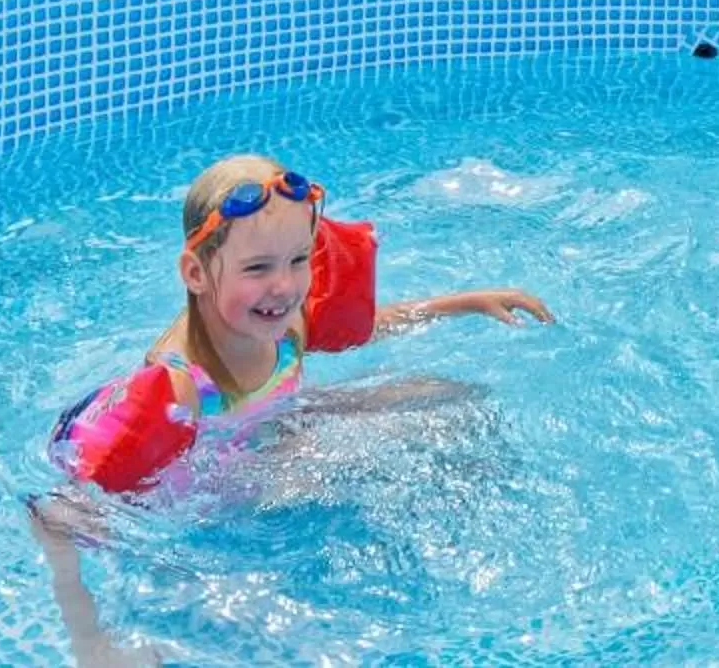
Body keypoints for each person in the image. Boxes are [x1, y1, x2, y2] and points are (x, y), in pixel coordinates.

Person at [31, 155, 552, 660]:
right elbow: (57, 516)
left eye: (299, 259)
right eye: (258, 267)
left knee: (450, 396)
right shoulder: (180, 386)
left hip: (277, 433)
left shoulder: (285, 322)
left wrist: (463, 304)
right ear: (195, 272)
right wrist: (91, 640)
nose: (283, 286)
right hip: (218, 495)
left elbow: (370, 325)